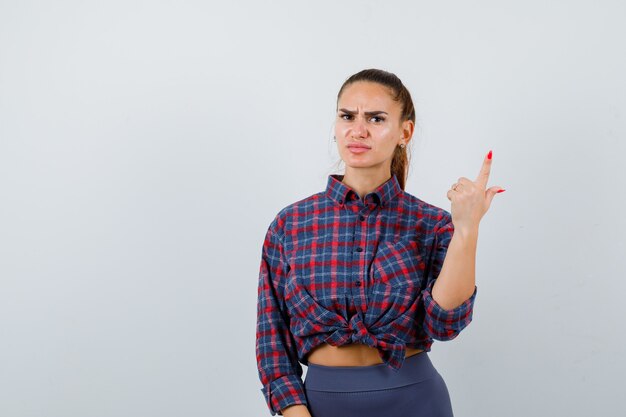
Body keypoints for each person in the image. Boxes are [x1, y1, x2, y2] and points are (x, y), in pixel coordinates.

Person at [255, 68, 505, 417]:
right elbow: (272, 345)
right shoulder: (290, 225)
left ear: (405, 132)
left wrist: (466, 228)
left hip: (416, 402)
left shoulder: (430, 224)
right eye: (347, 116)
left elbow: (445, 325)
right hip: (320, 406)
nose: (358, 130)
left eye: (376, 118)